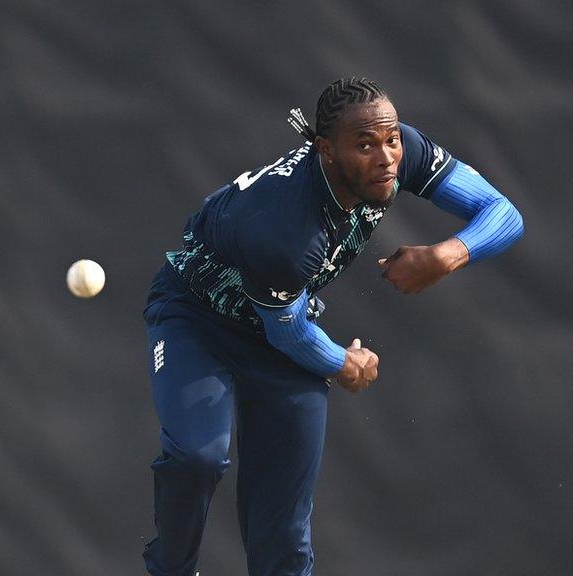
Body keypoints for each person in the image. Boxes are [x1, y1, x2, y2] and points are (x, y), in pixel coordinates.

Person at [141, 77, 523, 576]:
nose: (386, 157)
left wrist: (445, 256)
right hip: (198, 318)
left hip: (279, 326)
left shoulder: (400, 149)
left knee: (286, 534)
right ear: (325, 151)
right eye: (365, 145)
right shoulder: (285, 231)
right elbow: (290, 334)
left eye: (389, 140)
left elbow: (504, 213)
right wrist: (344, 362)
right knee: (198, 457)